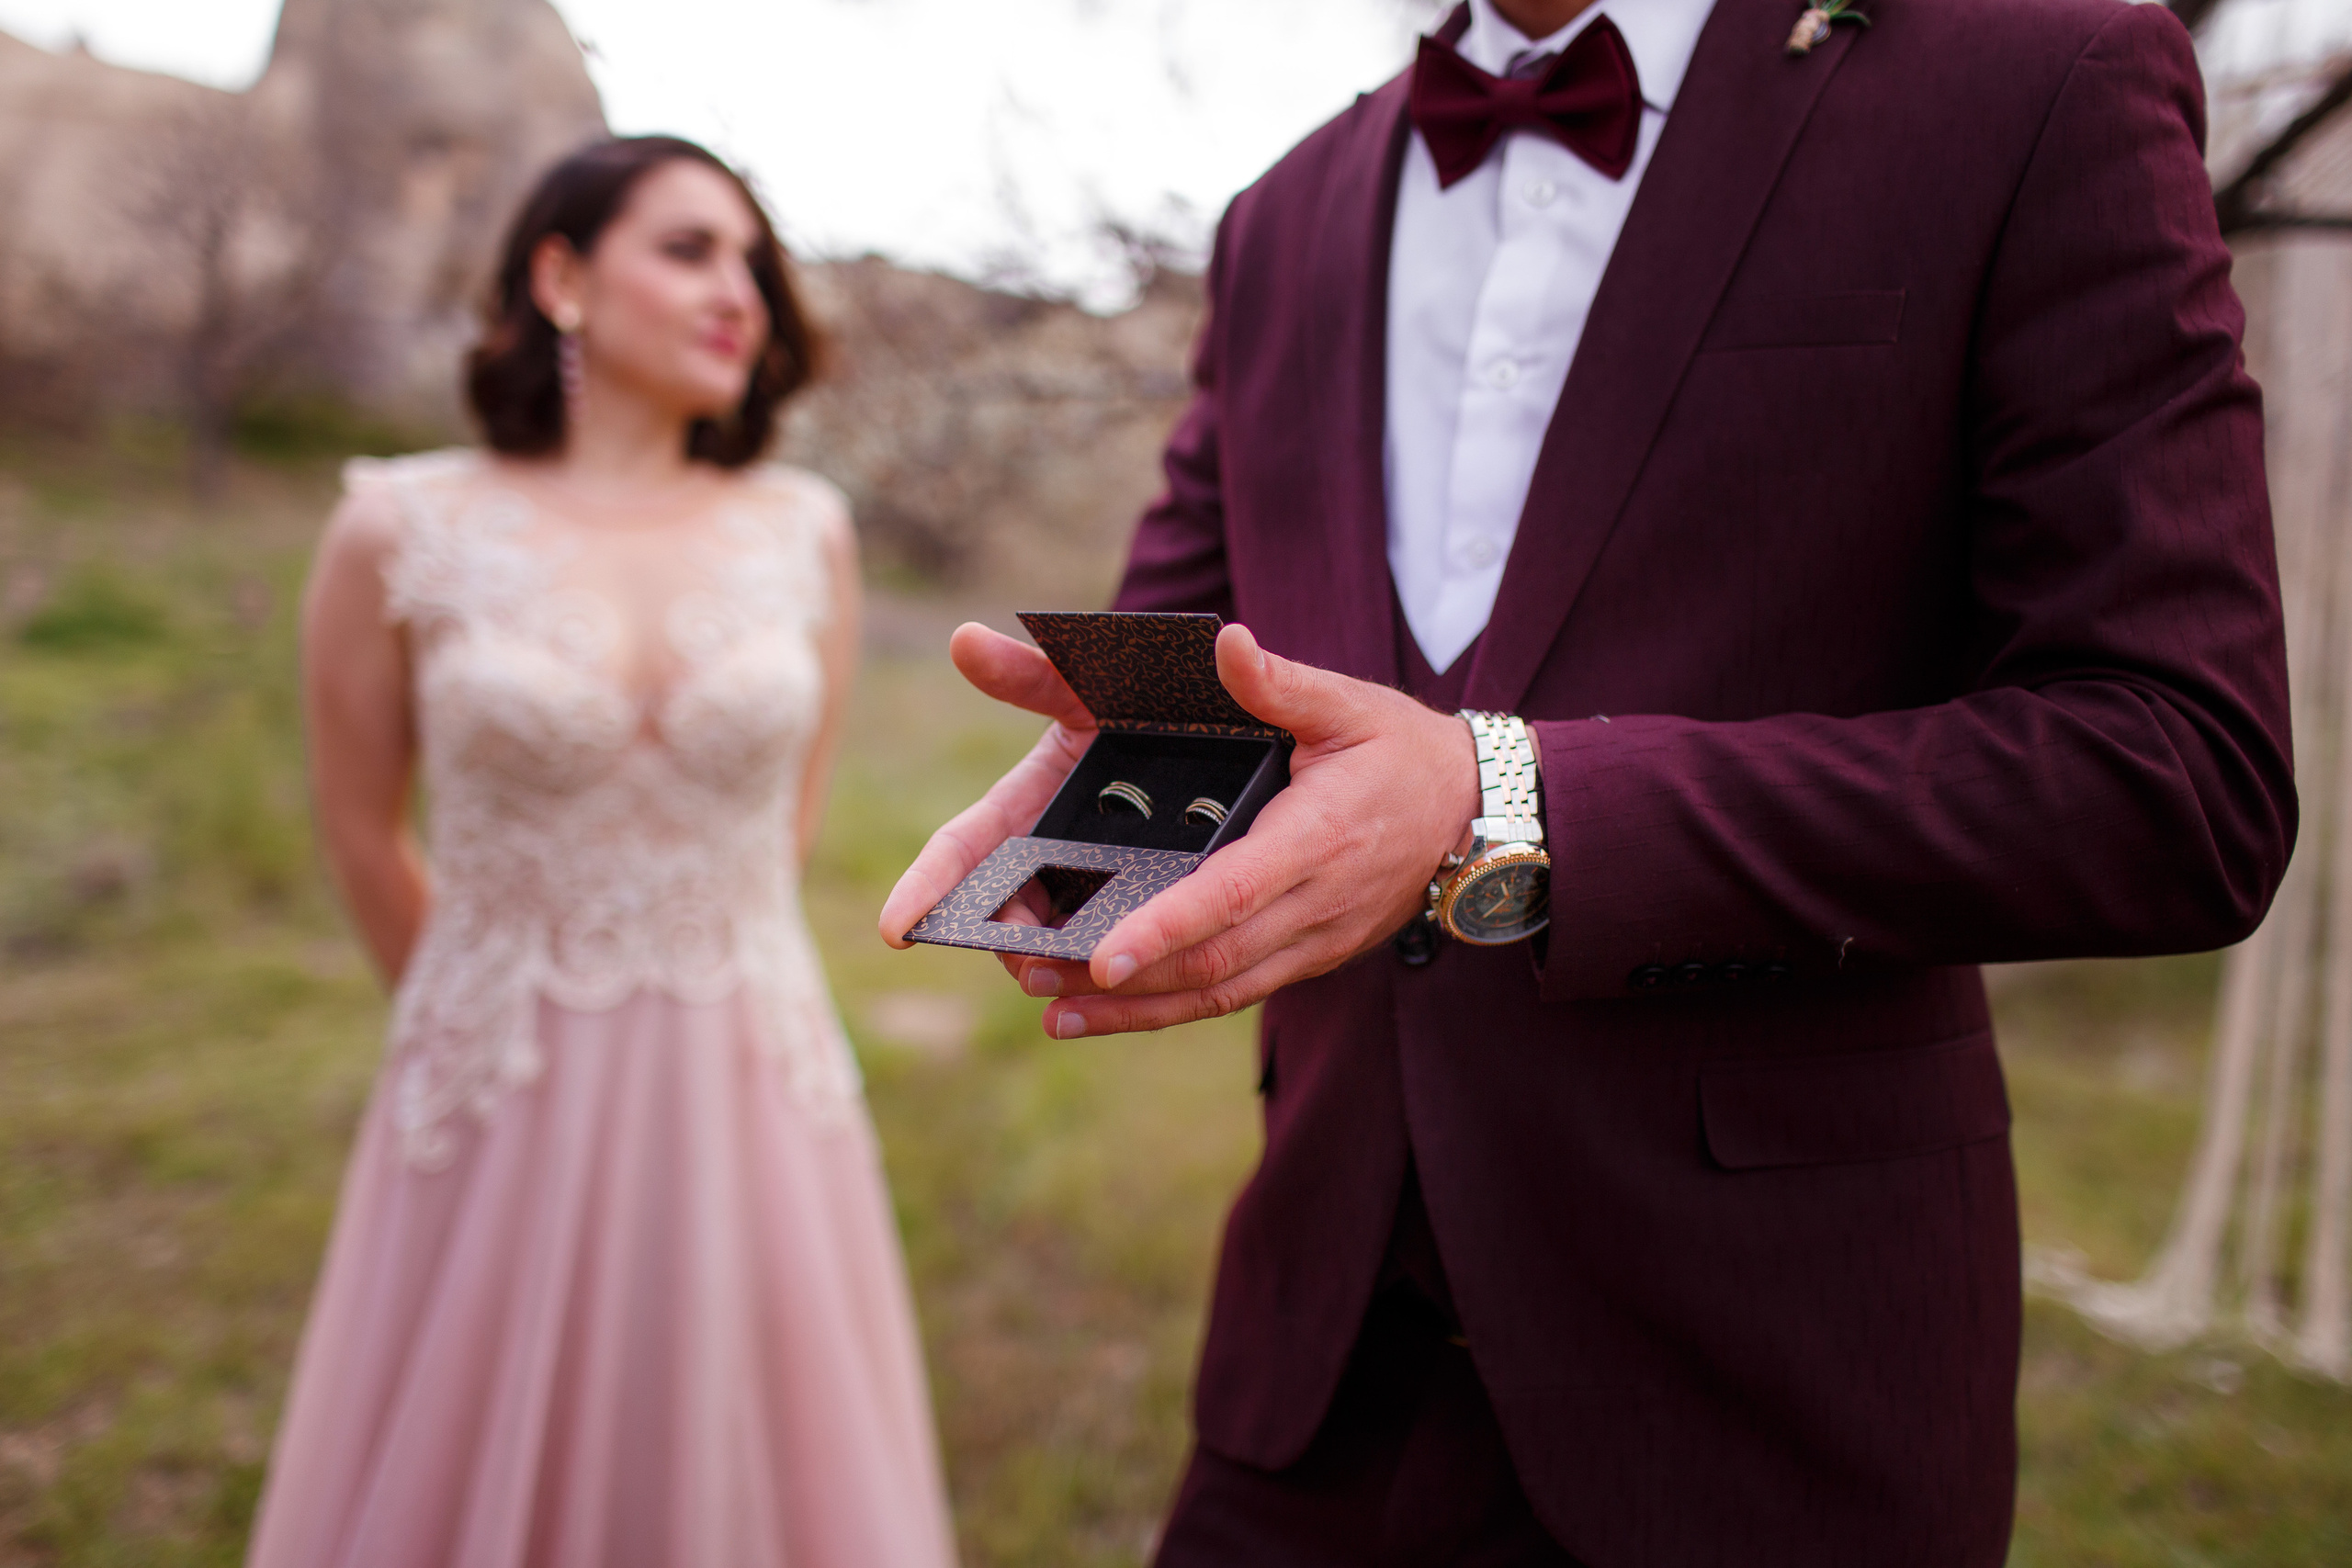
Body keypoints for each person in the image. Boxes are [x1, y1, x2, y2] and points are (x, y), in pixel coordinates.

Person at [881, 0, 2297, 1562]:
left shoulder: (2040, 77)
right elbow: (1201, 676)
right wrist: (1102, 800)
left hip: (1772, 1387)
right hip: (1318, 1369)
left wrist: (1506, 799)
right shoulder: (1279, 216)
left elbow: (2179, 772)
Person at [254, 136, 957, 1568]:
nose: (740, 293)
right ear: (562, 277)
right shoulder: (399, 525)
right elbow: (358, 826)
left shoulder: (803, 531)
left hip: (749, 1071)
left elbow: (784, 823)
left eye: (753, 262)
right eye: (691, 249)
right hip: (492, 1074)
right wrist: (474, 1009)